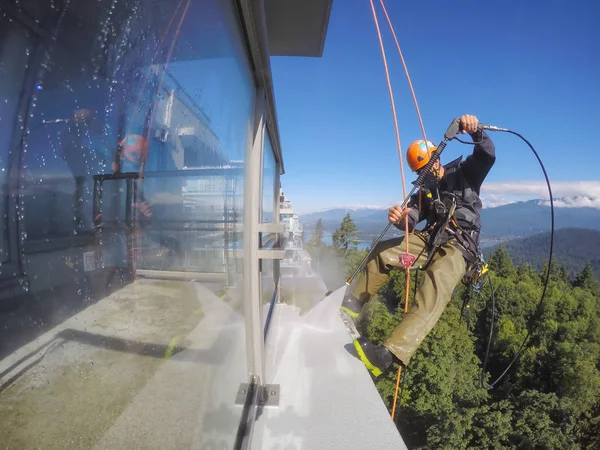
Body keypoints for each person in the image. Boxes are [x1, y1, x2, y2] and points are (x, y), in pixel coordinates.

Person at [340, 114, 496, 377]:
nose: (426, 173)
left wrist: (476, 132)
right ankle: (350, 306)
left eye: (427, 166)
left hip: (459, 246)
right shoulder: (425, 188)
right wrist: (401, 219)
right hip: (431, 239)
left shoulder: (466, 173)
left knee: (435, 284)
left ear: (436, 157)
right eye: (420, 171)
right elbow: (413, 217)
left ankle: (388, 355)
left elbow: (486, 156)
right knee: (384, 253)